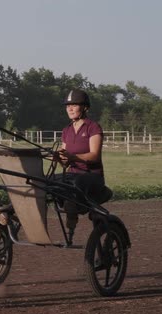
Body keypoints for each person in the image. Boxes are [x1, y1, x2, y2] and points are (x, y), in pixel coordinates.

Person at [55, 88, 106, 245]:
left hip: (92, 177)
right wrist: (59, 158)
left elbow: (94, 155)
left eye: (74, 105)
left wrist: (72, 157)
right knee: (45, 180)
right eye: (67, 105)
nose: (69, 108)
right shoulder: (66, 130)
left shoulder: (93, 127)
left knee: (76, 184)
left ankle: (76, 211)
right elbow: (65, 161)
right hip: (73, 176)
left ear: (85, 107)